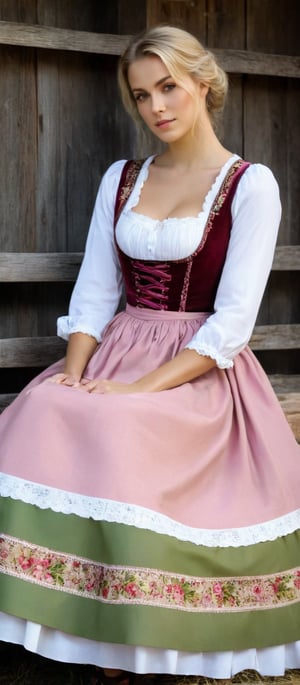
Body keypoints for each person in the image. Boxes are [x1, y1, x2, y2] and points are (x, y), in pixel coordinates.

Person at [0, 24, 299, 685]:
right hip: (117, 350)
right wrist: (75, 374)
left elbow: (232, 323)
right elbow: (96, 290)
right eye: (141, 96)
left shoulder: (250, 186)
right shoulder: (123, 177)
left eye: (168, 87)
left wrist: (139, 392)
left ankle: (139, 636)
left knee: (119, 425)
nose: (157, 107)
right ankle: (74, 618)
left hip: (197, 370)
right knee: (42, 408)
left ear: (203, 82)